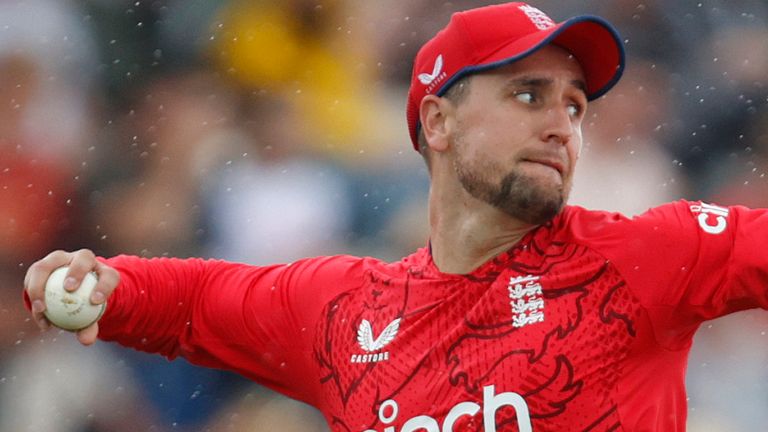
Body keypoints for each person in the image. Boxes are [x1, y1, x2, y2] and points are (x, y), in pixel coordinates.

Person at [21, 2, 768, 431]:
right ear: (438, 123)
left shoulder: (645, 254)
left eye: (574, 107)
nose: (562, 126)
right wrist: (99, 282)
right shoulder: (344, 312)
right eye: (529, 95)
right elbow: (189, 302)